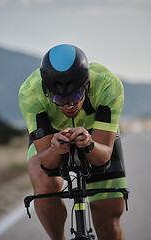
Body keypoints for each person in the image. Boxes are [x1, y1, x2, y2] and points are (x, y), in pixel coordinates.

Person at [19, 44, 127, 240]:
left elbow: (103, 158)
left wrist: (90, 144)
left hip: (96, 134)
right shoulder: (30, 92)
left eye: (76, 96)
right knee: (44, 184)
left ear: (87, 85)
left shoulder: (108, 85)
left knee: (109, 225)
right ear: (46, 90)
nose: (69, 105)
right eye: (58, 98)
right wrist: (54, 150)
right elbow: (47, 163)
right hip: (52, 136)